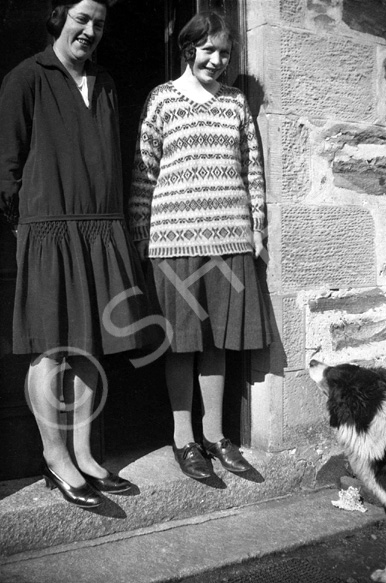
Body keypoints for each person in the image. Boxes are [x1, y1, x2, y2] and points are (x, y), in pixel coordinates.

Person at [0, 0, 152, 507]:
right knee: (51, 346)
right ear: (59, 19)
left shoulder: (105, 84)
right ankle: (55, 457)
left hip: (101, 227)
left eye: (100, 24)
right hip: (49, 228)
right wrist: (28, 224)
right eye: (82, 19)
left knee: (92, 344)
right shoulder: (27, 77)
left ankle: (86, 455)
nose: (90, 31)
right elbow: (7, 165)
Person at [130, 12, 272, 480]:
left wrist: (257, 228)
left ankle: (215, 436)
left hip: (229, 237)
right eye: (208, 49)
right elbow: (143, 173)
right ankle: (183, 438)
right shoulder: (163, 99)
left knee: (217, 343)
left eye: (226, 52)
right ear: (189, 48)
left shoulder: (234, 103)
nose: (218, 58)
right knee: (181, 343)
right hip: (173, 241)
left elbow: (252, 169)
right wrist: (138, 235)